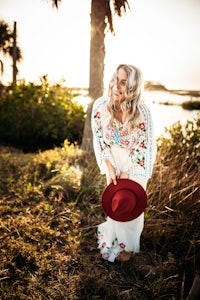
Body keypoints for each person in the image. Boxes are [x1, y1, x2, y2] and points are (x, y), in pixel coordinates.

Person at [91, 64, 157, 262]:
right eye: (115, 79)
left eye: (123, 83)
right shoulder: (100, 106)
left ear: (133, 87)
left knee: (131, 206)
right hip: (111, 156)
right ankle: (112, 242)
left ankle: (127, 247)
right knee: (116, 202)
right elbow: (99, 137)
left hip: (137, 161)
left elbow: (145, 146)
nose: (116, 86)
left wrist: (128, 171)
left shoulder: (142, 113)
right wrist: (108, 164)